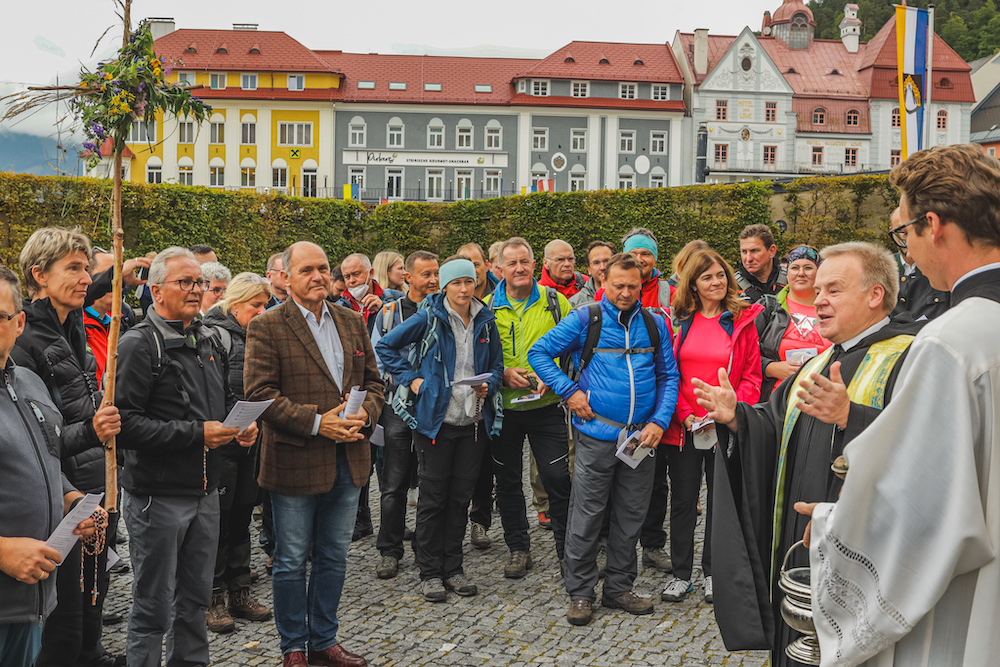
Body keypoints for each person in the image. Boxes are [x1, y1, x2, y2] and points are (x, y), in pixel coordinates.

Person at [792, 145, 1000, 666]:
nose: (905, 249)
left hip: (970, 606)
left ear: (933, 225)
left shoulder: (952, 343)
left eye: (902, 233)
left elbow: (923, 508)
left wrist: (831, 524)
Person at [693, 242, 920, 665]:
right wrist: (738, 418)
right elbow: (774, 425)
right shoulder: (816, 364)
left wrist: (851, 417)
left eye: (833, 290)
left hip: (861, 548)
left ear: (875, 295)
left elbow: (927, 450)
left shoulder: (910, 357)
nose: (818, 301)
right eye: (817, 291)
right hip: (799, 536)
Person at [115, 247, 256, 667]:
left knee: (194, 601)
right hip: (157, 496)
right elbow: (125, 426)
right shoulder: (139, 344)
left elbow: (225, 401)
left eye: (200, 283)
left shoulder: (209, 338)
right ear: (156, 291)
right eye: (186, 282)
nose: (196, 290)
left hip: (205, 491)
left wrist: (240, 425)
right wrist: (199, 434)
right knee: (153, 605)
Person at [245, 241, 382, 667]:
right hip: (296, 458)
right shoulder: (268, 325)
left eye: (323, 268)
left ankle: (324, 640)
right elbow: (260, 395)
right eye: (307, 270)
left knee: (334, 556)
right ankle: (293, 648)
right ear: (285, 276)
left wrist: (364, 418)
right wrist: (320, 422)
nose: (318, 276)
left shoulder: (350, 320)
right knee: (289, 560)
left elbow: (375, 383)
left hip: (349, 457)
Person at [529, 252, 679, 626]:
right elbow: (539, 352)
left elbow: (669, 376)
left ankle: (618, 588)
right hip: (597, 435)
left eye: (633, 286)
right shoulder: (586, 319)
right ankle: (580, 593)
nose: (626, 293)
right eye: (618, 286)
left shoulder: (655, 323)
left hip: (641, 440)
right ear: (602, 284)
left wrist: (660, 421)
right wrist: (569, 392)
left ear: (642, 284)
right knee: (588, 514)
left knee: (631, 516)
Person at [13, 228, 124, 667]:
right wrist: (93, 431)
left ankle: (90, 654)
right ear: (39, 274)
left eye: (86, 268)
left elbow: (83, 405)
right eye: (74, 268)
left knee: (93, 590)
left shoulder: (73, 324)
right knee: (63, 609)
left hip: (96, 484)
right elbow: (33, 437)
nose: (85, 278)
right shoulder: (24, 340)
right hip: (61, 492)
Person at [376, 256, 503, 603]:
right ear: (446, 286)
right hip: (436, 421)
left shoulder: (486, 319)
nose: (464, 289)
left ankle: (454, 567)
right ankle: (430, 571)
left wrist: (488, 383)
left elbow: (497, 366)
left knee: (460, 498)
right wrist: (414, 380)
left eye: (469, 282)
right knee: (433, 499)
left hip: (472, 421)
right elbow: (385, 346)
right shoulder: (430, 316)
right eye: (456, 283)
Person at [0, 264, 105, 667]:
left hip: (33, 600)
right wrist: (3, 550)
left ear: (19, 323)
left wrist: (71, 498)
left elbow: (46, 457)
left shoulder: (28, 381)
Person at [661, 249, 763, 606]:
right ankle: (680, 574)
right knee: (684, 502)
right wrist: (685, 414)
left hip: (724, 426)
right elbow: (669, 375)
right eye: (707, 277)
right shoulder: (678, 321)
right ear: (693, 283)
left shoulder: (742, 320)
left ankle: (712, 573)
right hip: (686, 427)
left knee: (722, 503)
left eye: (721, 274)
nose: (717, 282)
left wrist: (730, 412)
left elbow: (752, 376)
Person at [485, 237, 572, 579]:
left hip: (545, 405)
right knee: (507, 482)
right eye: (512, 263)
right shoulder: (487, 307)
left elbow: (576, 350)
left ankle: (568, 553)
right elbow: (480, 357)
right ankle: (518, 548)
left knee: (557, 479)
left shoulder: (557, 302)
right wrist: (502, 373)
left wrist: (556, 377)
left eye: (525, 262)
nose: (519, 268)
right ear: (500, 269)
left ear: (535, 265)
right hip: (504, 410)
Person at [202, 273, 273, 634]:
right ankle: (212, 596)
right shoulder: (214, 334)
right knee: (219, 521)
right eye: (254, 305)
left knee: (243, 516)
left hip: (252, 437)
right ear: (235, 303)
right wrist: (237, 425)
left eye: (265, 305)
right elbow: (215, 390)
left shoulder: (257, 334)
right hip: (224, 441)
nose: (262, 311)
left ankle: (240, 590)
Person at [370, 250, 439, 579]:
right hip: (397, 405)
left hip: (434, 404)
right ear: (408, 277)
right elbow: (377, 358)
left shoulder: (444, 310)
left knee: (431, 480)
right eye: (426, 274)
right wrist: (410, 380)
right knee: (394, 483)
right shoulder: (389, 313)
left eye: (436, 273)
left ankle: (427, 544)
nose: (433, 280)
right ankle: (390, 548)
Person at [756, 245, 832, 397]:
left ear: (819, 272)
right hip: (774, 403)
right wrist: (770, 368)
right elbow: (743, 354)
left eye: (808, 267)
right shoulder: (768, 308)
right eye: (795, 267)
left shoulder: (832, 309)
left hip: (820, 403)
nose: (801, 273)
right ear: (787, 272)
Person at [888, 206, 949, 321]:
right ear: (892, 231)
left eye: (913, 231)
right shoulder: (881, 270)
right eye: (902, 233)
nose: (908, 241)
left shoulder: (943, 268)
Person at [340, 253, 397, 333]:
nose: (352, 280)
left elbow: (408, 328)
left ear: (371, 273)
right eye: (347, 277)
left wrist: (383, 308)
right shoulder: (339, 306)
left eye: (356, 274)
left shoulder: (393, 297)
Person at [734, 224, 787, 303]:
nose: (748, 259)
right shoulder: (731, 287)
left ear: (772, 251)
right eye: (744, 252)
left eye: (754, 251)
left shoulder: (791, 282)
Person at [569, 241, 614, 308]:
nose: (602, 267)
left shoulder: (628, 296)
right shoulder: (575, 304)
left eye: (606, 261)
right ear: (589, 269)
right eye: (596, 263)